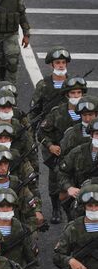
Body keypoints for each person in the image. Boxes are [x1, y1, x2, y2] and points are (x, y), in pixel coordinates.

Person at [38, 76, 88, 224]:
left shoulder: (88, 114)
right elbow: (41, 132)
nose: (76, 96)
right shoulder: (57, 112)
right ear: (67, 95)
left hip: (81, 156)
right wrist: (50, 146)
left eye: (79, 93)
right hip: (60, 155)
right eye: (73, 93)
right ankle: (56, 209)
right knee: (56, 186)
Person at [29, 46, 71, 126]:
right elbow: (34, 110)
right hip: (48, 127)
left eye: (63, 62)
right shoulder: (43, 85)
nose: (61, 66)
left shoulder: (73, 83)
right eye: (57, 63)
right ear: (51, 65)